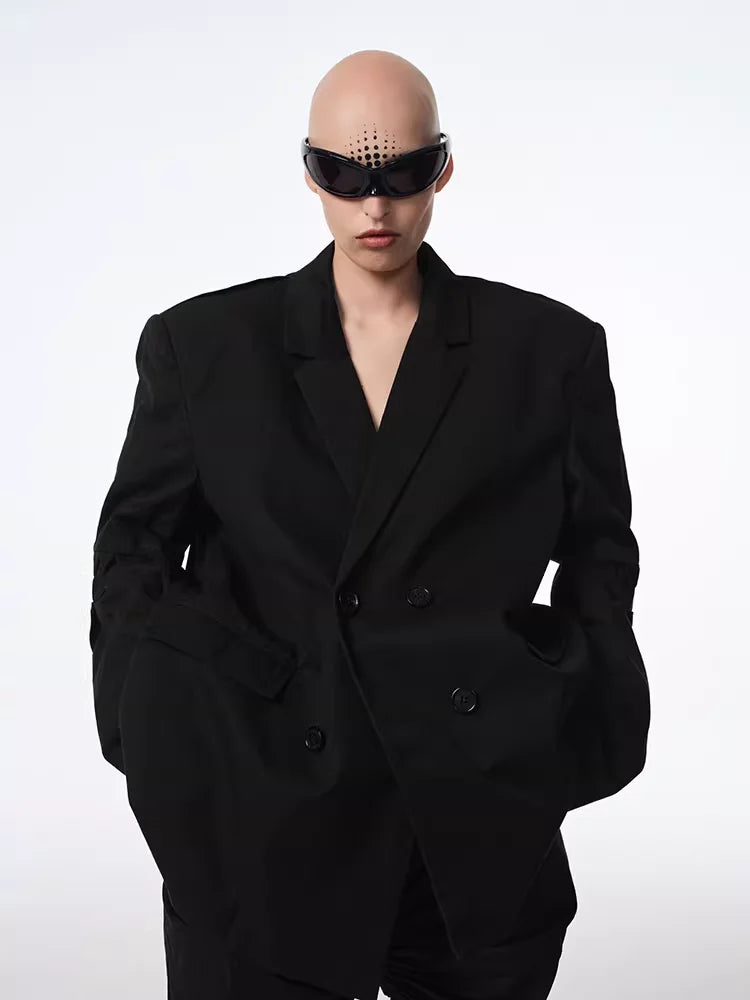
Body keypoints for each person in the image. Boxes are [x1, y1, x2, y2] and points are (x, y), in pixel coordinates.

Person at [90, 49, 650, 1000]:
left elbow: (600, 546)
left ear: (445, 167)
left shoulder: (548, 352)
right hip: (262, 810)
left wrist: (572, 705)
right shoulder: (206, 348)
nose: (374, 205)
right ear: (308, 171)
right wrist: (150, 726)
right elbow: (133, 548)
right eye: (344, 175)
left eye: (402, 173)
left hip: (473, 806)